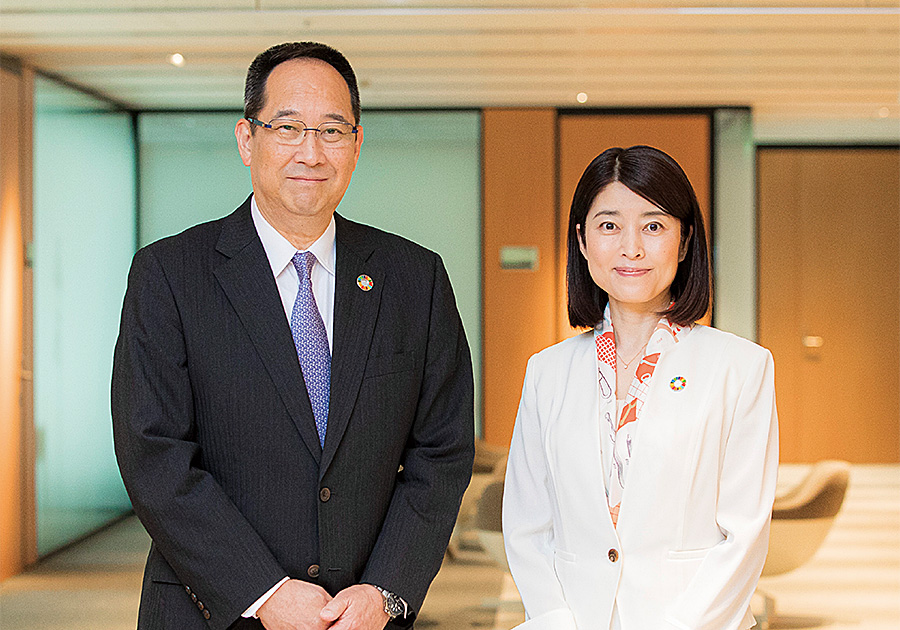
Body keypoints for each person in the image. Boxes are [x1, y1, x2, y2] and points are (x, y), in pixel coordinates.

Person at [111, 41, 474, 630]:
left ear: (356, 146)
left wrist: (387, 589)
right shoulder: (170, 275)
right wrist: (264, 591)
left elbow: (442, 449)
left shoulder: (415, 278)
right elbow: (155, 454)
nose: (311, 152)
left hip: (363, 616)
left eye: (332, 131)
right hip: (211, 610)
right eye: (287, 127)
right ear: (246, 139)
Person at [502, 145, 778, 630]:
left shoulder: (741, 368)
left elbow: (744, 536)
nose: (631, 248)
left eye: (653, 226)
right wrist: (555, 620)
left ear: (685, 240)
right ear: (583, 241)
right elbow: (527, 525)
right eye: (610, 225)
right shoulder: (547, 372)